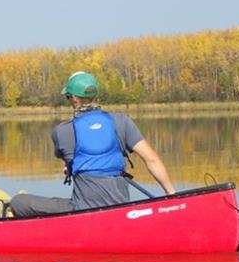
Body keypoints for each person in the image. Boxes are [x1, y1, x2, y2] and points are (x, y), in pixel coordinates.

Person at [10, 71, 175, 216]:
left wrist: (70, 166)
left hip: (82, 210)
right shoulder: (121, 122)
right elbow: (151, 160)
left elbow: (69, 163)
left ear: (74, 98)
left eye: (68, 96)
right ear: (96, 95)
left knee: (19, 201)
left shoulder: (61, 132)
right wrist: (171, 194)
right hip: (120, 207)